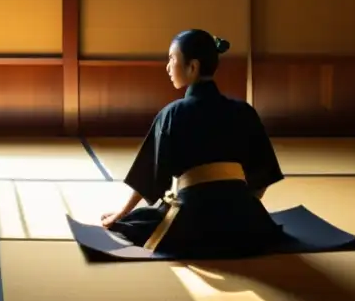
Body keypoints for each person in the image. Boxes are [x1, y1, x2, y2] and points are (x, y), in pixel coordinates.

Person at [100, 29, 288, 257]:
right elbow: (263, 172)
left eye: (172, 59)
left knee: (137, 224)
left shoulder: (172, 114)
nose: (168, 67)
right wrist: (241, 207)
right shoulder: (244, 111)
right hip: (246, 220)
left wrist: (120, 215)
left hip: (193, 218)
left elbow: (148, 176)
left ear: (193, 67)